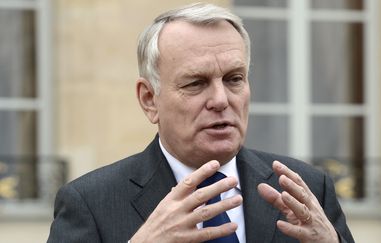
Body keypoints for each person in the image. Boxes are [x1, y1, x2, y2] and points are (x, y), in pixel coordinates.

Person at [47, 3, 354, 243]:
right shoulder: (90, 203)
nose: (221, 100)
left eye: (234, 79)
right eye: (196, 83)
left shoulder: (309, 189)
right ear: (149, 99)